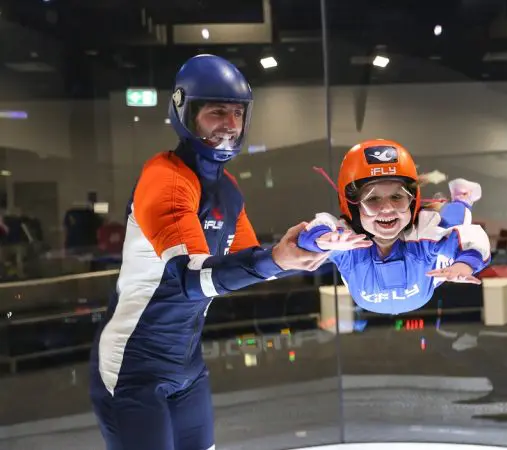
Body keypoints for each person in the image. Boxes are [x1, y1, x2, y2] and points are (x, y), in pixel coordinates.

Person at [88, 54, 350, 450]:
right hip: (132, 368)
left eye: (237, 113)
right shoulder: (165, 178)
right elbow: (193, 280)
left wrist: (313, 245)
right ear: (185, 112)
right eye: (216, 112)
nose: (229, 125)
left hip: (187, 367)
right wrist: (276, 258)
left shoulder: (226, 190)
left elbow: (248, 265)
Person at [297, 138, 492, 315]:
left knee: (451, 223)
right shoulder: (347, 243)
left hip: (430, 275)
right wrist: (321, 239)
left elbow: (471, 237)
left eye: (397, 197)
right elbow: (318, 227)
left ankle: (462, 198)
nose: (387, 209)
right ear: (353, 208)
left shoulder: (423, 236)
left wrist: (464, 264)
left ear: (412, 201)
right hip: (413, 290)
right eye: (373, 199)